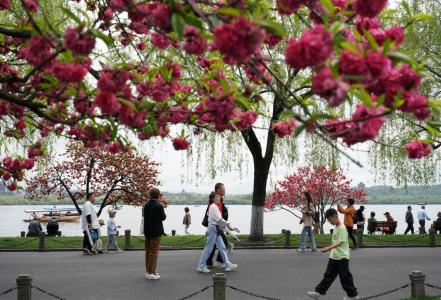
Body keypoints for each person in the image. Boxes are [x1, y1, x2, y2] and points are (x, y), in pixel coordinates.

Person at [307, 208, 359, 300]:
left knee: (345, 278)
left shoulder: (342, 228)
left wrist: (328, 248)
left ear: (336, 216)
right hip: (334, 257)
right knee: (328, 276)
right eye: (328, 220)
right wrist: (330, 249)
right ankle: (318, 292)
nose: (329, 222)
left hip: (342, 258)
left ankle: (353, 295)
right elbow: (335, 242)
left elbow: (340, 242)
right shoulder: (336, 227)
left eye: (330, 219)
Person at [197, 192, 237, 273]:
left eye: (219, 197)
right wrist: (228, 224)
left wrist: (227, 227)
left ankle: (227, 264)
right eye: (217, 197)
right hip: (213, 230)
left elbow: (217, 221)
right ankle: (201, 266)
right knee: (208, 248)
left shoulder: (214, 207)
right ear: (213, 199)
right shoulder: (213, 207)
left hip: (215, 229)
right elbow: (218, 220)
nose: (219, 198)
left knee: (222, 247)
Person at [143, 188, 167, 280]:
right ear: (157, 196)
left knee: (148, 252)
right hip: (155, 232)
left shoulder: (146, 205)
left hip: (147, 231)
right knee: (154, 252)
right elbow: (163, 217)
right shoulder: (159, 206)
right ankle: (150, 272)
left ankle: (150, 271)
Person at [206, 183, 229, 268]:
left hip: (216, 226)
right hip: (216, 227)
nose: (225, 190)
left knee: (213, 245)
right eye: (223, 188)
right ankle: (220, 262)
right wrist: (225, 225)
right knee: (224, 244)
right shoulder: (216, 200)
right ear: (218, 190)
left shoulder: (219, 199)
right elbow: (217, 217)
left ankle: (207, 262)